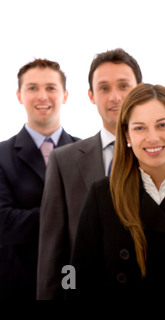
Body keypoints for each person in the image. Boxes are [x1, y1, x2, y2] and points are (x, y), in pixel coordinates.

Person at [67, 83, 165, 299]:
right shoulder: (103, 194)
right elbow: (79, 278)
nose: (152, 137)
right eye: (139, 128)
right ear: (126, 135)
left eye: (162, 125)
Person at [37, 48, 142, 299]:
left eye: (123, 86)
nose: (115, 97)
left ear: (139, 89)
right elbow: (55, 253)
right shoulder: (64, 161)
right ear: (91, 95)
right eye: (104, 88)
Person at [0, 58, 79, 299]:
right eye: (32, 88)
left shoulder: (86, 152)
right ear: (19, 95)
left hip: (74, 280)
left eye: (51, 88)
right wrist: (64, 216)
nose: (42, 96)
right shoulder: (1, 156)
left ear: (64, 95)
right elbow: (4, 223)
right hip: (18, 283)